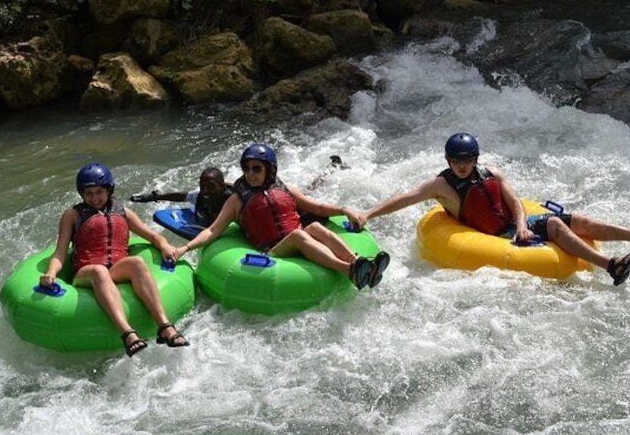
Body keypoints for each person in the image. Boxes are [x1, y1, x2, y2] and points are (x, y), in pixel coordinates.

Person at [358, 133, 630, 286]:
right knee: (556, 227)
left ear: (476, 160)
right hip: (498, 235)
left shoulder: (492, 173)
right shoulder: (440, 186)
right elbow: (404, 198)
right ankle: (610, 265)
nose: (461, 166)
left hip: (516, 226)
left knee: (579, 219)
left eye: (467, 160)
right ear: (448, 161)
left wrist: (524, 224)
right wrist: (368, 215)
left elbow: (514, 201)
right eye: (456, 161)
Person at [170, 144, 390, 290]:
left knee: (315, 228)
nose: (250, 174)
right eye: (246, 169)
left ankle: (360, 264)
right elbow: (213, 230)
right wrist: (184, 249)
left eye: (256, 169)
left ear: (270, 171)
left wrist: (344, 210)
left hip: (296, 238)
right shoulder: (237, 200)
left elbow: (319, 207)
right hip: (272, 251)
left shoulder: (286, 189)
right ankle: (348, 271)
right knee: (299, 235)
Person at [40, 162, 190, 357]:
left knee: (137, 262)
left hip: (115, 269)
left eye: (99, 192)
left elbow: (152, 235)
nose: (94, 198)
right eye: (89, 193)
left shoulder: (123, 212)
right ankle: (127, 333)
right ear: (81, 194)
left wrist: (164, 245)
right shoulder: (72, 215)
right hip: (87, 273)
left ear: (109, 190)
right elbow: (60, 252)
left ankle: (165, 326)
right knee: (99, 271)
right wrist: (51, 273)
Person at [130, 167, 233, 227]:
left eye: (210, 186)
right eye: (202, 185)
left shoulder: (233, 199)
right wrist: (154, 197)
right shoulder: (199, 195)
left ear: (221, 186)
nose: (205, 190)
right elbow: (181, 196)